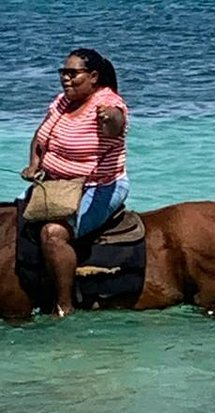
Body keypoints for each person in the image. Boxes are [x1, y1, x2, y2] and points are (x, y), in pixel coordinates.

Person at [21, 48, 130, 317]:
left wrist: (110, 118)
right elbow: (40, 136)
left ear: (93, 76)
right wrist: (35, 165)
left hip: (99, 186)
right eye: (63, 73)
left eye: (73, 74)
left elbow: (116, 123)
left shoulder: (107, 101)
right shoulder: (60, 103)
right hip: (56, 186)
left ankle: (64, 305)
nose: (66, 79)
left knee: (53, 234)